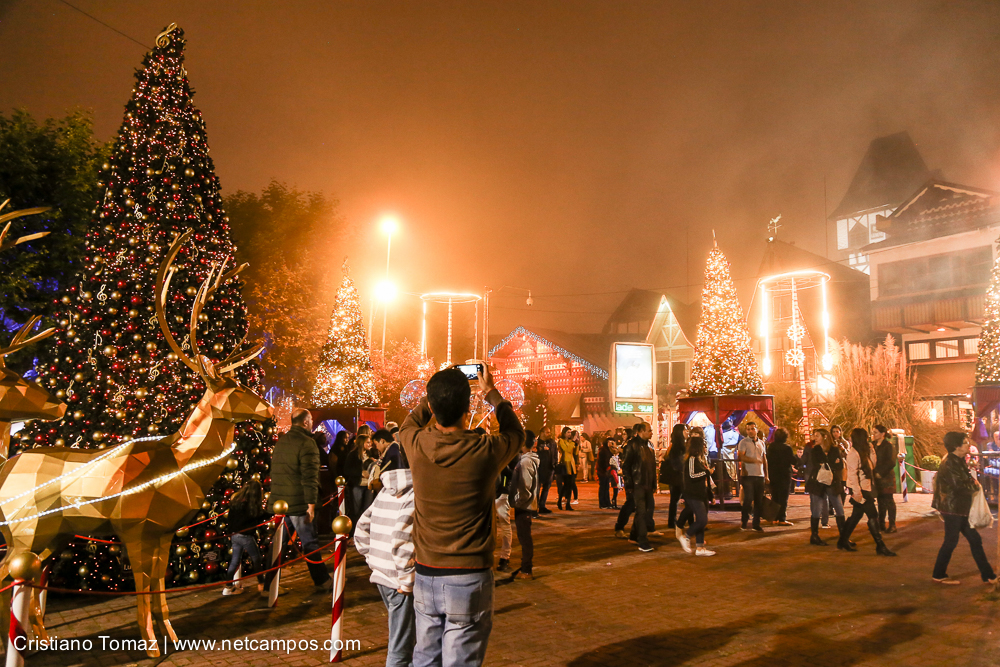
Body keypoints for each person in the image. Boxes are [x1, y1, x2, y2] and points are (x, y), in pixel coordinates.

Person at [400, 366, 524, 667]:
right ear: (468, 408)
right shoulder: (484, 450)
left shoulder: (415, 443)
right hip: (469, 575)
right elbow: (516, 433)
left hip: (427, 572)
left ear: (431, 406)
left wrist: (433, 394)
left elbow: (408, 423)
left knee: (425, 659)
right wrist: (491, 393)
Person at [355, 466, 417, 667]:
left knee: (406, 638)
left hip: (382, 574)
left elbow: (361, 527)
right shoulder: (415, 493)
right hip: (398, 579)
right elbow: (401, 537)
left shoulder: (385, 490)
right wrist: (406, 581)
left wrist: (372, 559)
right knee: (400, 647)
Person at [269, 408, 332, 589]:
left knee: (278, 545)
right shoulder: (307, 443)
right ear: (306, 422)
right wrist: (311, 504)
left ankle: (268, 586)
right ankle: (321, 581)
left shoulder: (282, 442)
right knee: (310, 542)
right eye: (311, 419)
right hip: (299, 502)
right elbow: (310, 477)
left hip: (282, 502)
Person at [932, 431, 997, 586]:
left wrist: (972, 483)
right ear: (956, 446)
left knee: (974, 539)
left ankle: (989, 575)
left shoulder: (958, 460)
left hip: (959, 507)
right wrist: (974, 485)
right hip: (952, 508)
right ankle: (939, 574)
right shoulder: (950, 463)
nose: (969, 444)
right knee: (951, 541)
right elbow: (959, 485)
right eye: (965, 442)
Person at [838, 428, 896, 556]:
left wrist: (871, 450)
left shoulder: (864, 451)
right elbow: (852, 475)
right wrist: (857, 493)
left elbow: (873, 465)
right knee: (873, 516)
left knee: (856, 516)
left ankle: (842, 540)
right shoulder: (853, 453)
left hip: (867, 487)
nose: (869, 438)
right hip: (861, 489)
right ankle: (880, 545)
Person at [221, 480, 266, 596]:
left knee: (235, 560)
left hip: (235, 535)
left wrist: (230, 533)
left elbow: (230, 519)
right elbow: (258, 517)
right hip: (245, 535)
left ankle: (228, 585)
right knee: (256, 559)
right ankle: (261, 583)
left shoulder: (236, 502)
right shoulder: (251, 505)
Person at [676, 433, 715, 556]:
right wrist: (707, 472)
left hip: (700, 493)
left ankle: (700, 548)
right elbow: (692, 476)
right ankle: (686, 536)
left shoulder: (699, 459)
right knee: (702, 520)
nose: (705, 448)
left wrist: (710, 494)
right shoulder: (691, 459)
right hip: (693, 494)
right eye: (703, 445)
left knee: (701, 520)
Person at [805, 429, 846, 546]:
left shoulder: (834, 449)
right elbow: (816, 463)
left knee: (839, 508)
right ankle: (814, 536)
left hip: (832, 482)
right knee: (816, 509)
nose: (814, 438)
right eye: (814, 436)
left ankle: (843, 536)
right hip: (818, 482)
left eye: (817, 436)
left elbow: (840, 465)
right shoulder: (814, 450)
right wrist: (832, 462)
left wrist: (827, 463)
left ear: (825, 437)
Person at [621, 422, 658, 552]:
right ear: (641, 431)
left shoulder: (649, 445)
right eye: (649, 430)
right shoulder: (633, 445)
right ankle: (642, 540)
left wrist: (654, 483)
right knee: (642, 512)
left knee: (646, 511)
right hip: (638, 484)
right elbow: (626, 466)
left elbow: (652, 466)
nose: (651, 432)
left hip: (647, 484)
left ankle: (633, 535)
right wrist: (629, 484)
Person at [510, 430, 539, 580]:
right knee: (524, 537)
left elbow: (525, 488)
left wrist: (517, 502)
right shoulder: (527, 460)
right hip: (525, 505)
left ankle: (526, 570)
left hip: (524, 506)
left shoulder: (526, 462)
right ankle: (525, 567)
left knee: (525, 538)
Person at [737, 422, 768, 532]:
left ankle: (756, 523)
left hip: (760, 475)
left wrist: (766, 475)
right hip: (748, 475)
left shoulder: (761, 443)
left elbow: (764, 459)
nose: (750, 431)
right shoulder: (743, 442)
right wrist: (753, 460)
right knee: (748, 499)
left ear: (756, 429)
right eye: (748, 429)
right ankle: (744, 522)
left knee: (759, 500)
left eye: (752, 429)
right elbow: (741, 457)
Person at [344, 433, 376, 529]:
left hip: (369, 485)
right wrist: (360, 472)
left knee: (368, 509)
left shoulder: (372, 453)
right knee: (356, 510)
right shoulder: (353, 455)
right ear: (362, 443)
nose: (370, 444)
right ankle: (355, 531)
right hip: (357, 485)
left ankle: (366, 531)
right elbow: (346, 469)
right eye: (368, 442)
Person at [765, 428, 796, 526]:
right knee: (783, 497)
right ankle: (782, 518)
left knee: (775, 496)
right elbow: (793, 461)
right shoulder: (787, 448)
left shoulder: (771, 447)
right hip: (784, 475)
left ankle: (774, 518)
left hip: (773, 474)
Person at [872, 425, 898, 533]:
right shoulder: (872, 445)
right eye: (873, 432)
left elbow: (891, 462)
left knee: (888, 500)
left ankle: (892, 524)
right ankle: (881, 523)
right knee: (880, 500)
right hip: (875, 475)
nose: (873, 435)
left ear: (883, 434)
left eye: (876, 432)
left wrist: (881, 472)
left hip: (886, 476)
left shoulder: (888, 446)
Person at [495, 455, 516, 572]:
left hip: (502, 493)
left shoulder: (511, 452)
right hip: (489, 493)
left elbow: (513, 474)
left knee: (504, 524)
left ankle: (505, 557)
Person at [664, 424, 687, 529]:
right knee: (685, 499)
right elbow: (677, 462)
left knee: (675, 500)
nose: (687, 432)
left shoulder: (675, 445)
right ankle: (680, 522)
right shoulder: (678, 447)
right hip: (679, 476)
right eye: (685, 430)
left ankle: (672, 521)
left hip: (676, 476)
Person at [535, 426, 557, 514]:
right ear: (542, 433)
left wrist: (555, 464)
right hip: (539, 468)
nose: (549, 434)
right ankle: (534, 506)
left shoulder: (551, 442)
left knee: (546, 488)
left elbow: (555, 453)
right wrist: (540, 449)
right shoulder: (536, 442)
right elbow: (533, 451)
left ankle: (542, 505)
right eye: (547, 432)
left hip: (549, 468)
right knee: (537, 488)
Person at [557, 429, 578, 510]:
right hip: (565, 464)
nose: (569, 434)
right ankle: (560, 500)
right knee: (566, 484)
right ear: (564, 433)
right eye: (568, 432)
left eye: (570, 432)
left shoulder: (570, 442)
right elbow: (567, 450)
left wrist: (576, 444)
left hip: (571, 464)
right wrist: (572, 442)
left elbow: (575, 452)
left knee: (570, 484)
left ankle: (568, 503)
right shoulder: (561, 441)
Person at [597, 435, 614, 509]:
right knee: (603, 487)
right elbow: (601, 461)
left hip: (607, 471)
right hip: (602, 471)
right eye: (610, 442)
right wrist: (605, 468)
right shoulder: (603, 450)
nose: (611, 444)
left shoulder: (609, 450)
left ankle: (607, 502)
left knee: (606, 487)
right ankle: (602, 503)